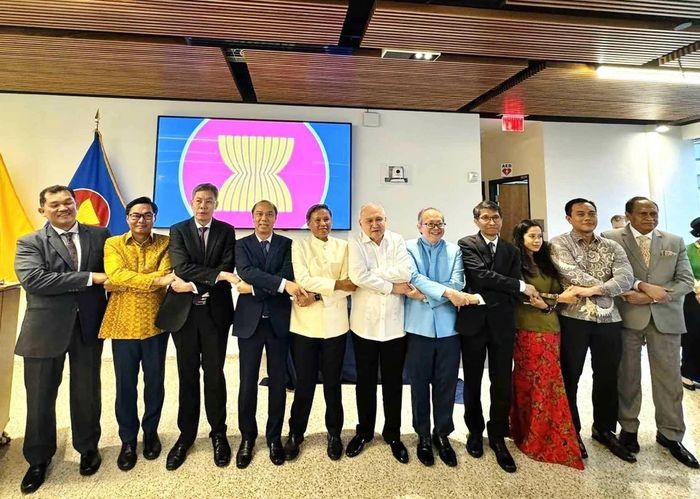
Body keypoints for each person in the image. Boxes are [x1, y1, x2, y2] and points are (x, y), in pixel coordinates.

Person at [14, 185, 110, 493]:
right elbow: (35, 280)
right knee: (40, 397)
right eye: (54, 204)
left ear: (76, 202)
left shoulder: (101, 236)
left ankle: (88, 448)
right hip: (44, 331)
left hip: (88, 326)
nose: (63, 208)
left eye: (67, 202)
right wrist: (88, 278)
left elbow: (118, 272)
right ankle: (38, 459)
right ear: (42, 210)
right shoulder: (29, 242)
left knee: (87, 391)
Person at [602, 197, 698, 468]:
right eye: (643, 213)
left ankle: (670, 434)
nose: (649, 218)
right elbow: (607, 274)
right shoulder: (611, 238)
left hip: (665, 318)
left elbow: (686, 281)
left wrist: (654, 297)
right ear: (628, 215)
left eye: (653, 213)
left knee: (669, 379)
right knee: (628, 376)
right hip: (627, 316)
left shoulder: (673, 240)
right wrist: (641, 289)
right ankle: (629, 429)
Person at [156, 183, 237, 470]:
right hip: (185, 316)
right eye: (199, 201)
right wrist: (204, 280)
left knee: (214, 374)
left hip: (216, 314)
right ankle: (186, 435)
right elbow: (181, 266)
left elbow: (229, 266)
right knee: (187, 374)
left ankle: (219, 434)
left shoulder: (227, 231)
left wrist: (190, 283)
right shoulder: (178, 230)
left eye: (209, 201)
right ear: (191, 202)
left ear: (216, 204)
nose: (203, 206)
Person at [549, 198, 635, 463]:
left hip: (610, 320)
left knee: (608, 376)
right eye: (580, 213)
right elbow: (570, 273)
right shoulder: (558, 243)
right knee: (570, 375)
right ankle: (570, 430)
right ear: (568, 218)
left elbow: (626, 277)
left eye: (591, 213)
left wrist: (594, 290)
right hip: (574, 318)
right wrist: (609, 287)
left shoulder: (612, 246)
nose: (587, 217)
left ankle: (604, 429)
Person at [456, 200, 538, 473]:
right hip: (474, 325)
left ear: (502, 220)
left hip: (503, 324)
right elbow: (479, 277)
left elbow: (507, 287)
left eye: (495, 218)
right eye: (485, 218)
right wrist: (518, 285)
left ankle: (497, 435)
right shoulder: (466, 244)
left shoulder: (511, 250)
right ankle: (475, 432)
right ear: (476, 221)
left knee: (501, 381)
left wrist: (509, 288)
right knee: (473, 381)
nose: (491, 222)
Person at [99, 196, 174, 472]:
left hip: (156, 324)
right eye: (135, 215)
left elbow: (167, 274)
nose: (141, 220)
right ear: (127, 217)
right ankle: (128, 440)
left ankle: (150, 432)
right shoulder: (113, 244)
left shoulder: (166, 243)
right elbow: (115, 274)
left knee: (155, 384)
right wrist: (152, 280)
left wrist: (126, 281)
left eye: (147, 215)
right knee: (125, 386)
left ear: (154, 217)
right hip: (123, 324)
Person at [233, 200, 305, 468]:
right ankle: (247, 438)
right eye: (259, 214)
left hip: (278, 323)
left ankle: (274, 437)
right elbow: (246, 272)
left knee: (278, 383)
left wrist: (252, 288)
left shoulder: (287, 244)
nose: (264, 218)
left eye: (269, 214)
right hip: (249, 323)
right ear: (252, 217)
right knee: (247, 382)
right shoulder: (241, 244)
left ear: (276, 217)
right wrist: (280, 285)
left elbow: (287, 274)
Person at [404, 207, 477, 467]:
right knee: (419, 384)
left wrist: (426, 295)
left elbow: (457, 283)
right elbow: (412, 277)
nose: (435, 228)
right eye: (429, 223)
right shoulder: (408, 248)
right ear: (419, 225)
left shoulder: (454, 250)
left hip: (449, 329)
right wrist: (445, 295)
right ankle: (423, 434)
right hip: (418, 328)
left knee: (446, 384)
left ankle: (442, 434)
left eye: (439, 223)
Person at [283, 204, 356, 461]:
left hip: (336, 326)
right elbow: (302, 278)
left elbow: (351, 285)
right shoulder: (299, 246)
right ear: (308, 222)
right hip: (305, 326)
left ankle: (334, 433)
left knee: (333, 383)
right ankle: (295, 433)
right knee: (304, 383)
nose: (323, 223)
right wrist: (334, 285)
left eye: (326, 218)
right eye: (317, 219)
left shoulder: (344, 246)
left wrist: (315, 294)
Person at [510, 220, 584, 470]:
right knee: (528, 381)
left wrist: (551, 301)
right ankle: (524, 431)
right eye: (532, 236)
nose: (537, 240)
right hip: (526, 328)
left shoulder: (546, 262)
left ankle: (546, 435)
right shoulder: (516, 263)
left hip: (551, 328)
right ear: (521, 238)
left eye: (540, 236)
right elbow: (522, 295)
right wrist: (555, 299)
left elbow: (559, 294)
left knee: (550, 382)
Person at [346, 203, 412, 464]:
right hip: (365, 325)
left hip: (395, 326)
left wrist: (373, 276)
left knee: (394, 383)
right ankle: (364, 432)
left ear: (387, 219)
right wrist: (390, 286)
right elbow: (356, 276)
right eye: (370, 220)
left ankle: (393, 434)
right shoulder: (355, 242)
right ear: (361, 223)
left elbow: (405, 272)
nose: (375, 224)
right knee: (365, 382)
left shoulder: (397, 240)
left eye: (380, 219)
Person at [681, 217, 700, 391]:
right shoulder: (687, 250)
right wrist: (698, 289)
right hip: (693, 298)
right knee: (693, 337)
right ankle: (687, 373)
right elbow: (685, 274)